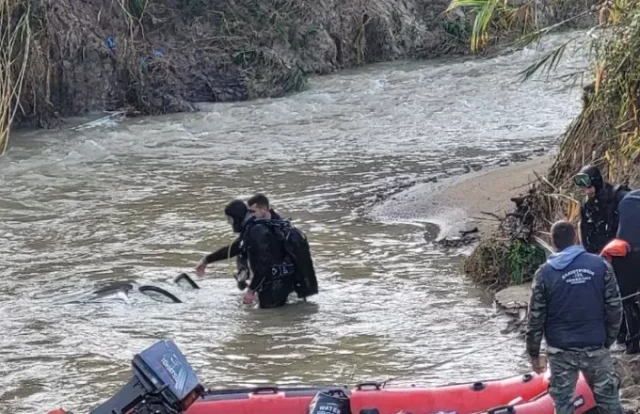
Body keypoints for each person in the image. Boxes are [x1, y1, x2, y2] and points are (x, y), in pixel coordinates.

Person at [526, 220, 623, 414]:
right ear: (576, 238)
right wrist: (608, 340)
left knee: (562, 406)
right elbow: (615, 308)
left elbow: (535, 317)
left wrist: (534, 353)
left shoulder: (544, 273)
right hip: (596, 346)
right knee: (610, 404)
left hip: (561, 351)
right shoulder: (601, 266)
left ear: (553, 243)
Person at [194, 194, 281, 289]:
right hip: (277, 274)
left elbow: (261, 264)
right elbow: (238, 247)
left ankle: (246, 277)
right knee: (242, 249)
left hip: (276, 278)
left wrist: (251, 291)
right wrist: (206, 260)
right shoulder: (260, 226)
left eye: (230, 219)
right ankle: (243, 274)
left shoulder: (262, 229)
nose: (251, 215)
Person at [601, 189, 640, 354]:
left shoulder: (627, 201)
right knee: (628, 301)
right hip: (627, 254)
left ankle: (631, 342)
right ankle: (629, 340)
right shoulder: (629, 200)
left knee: (626, 301)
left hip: (624, 256)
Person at [574, 164, 630, 254]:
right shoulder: (587, 207)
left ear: (597, 183)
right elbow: (584, 233)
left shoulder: (619, 197)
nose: (587, 192)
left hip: (624, 253)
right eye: (584, 189)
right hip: (600, 257)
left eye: (589, 187)